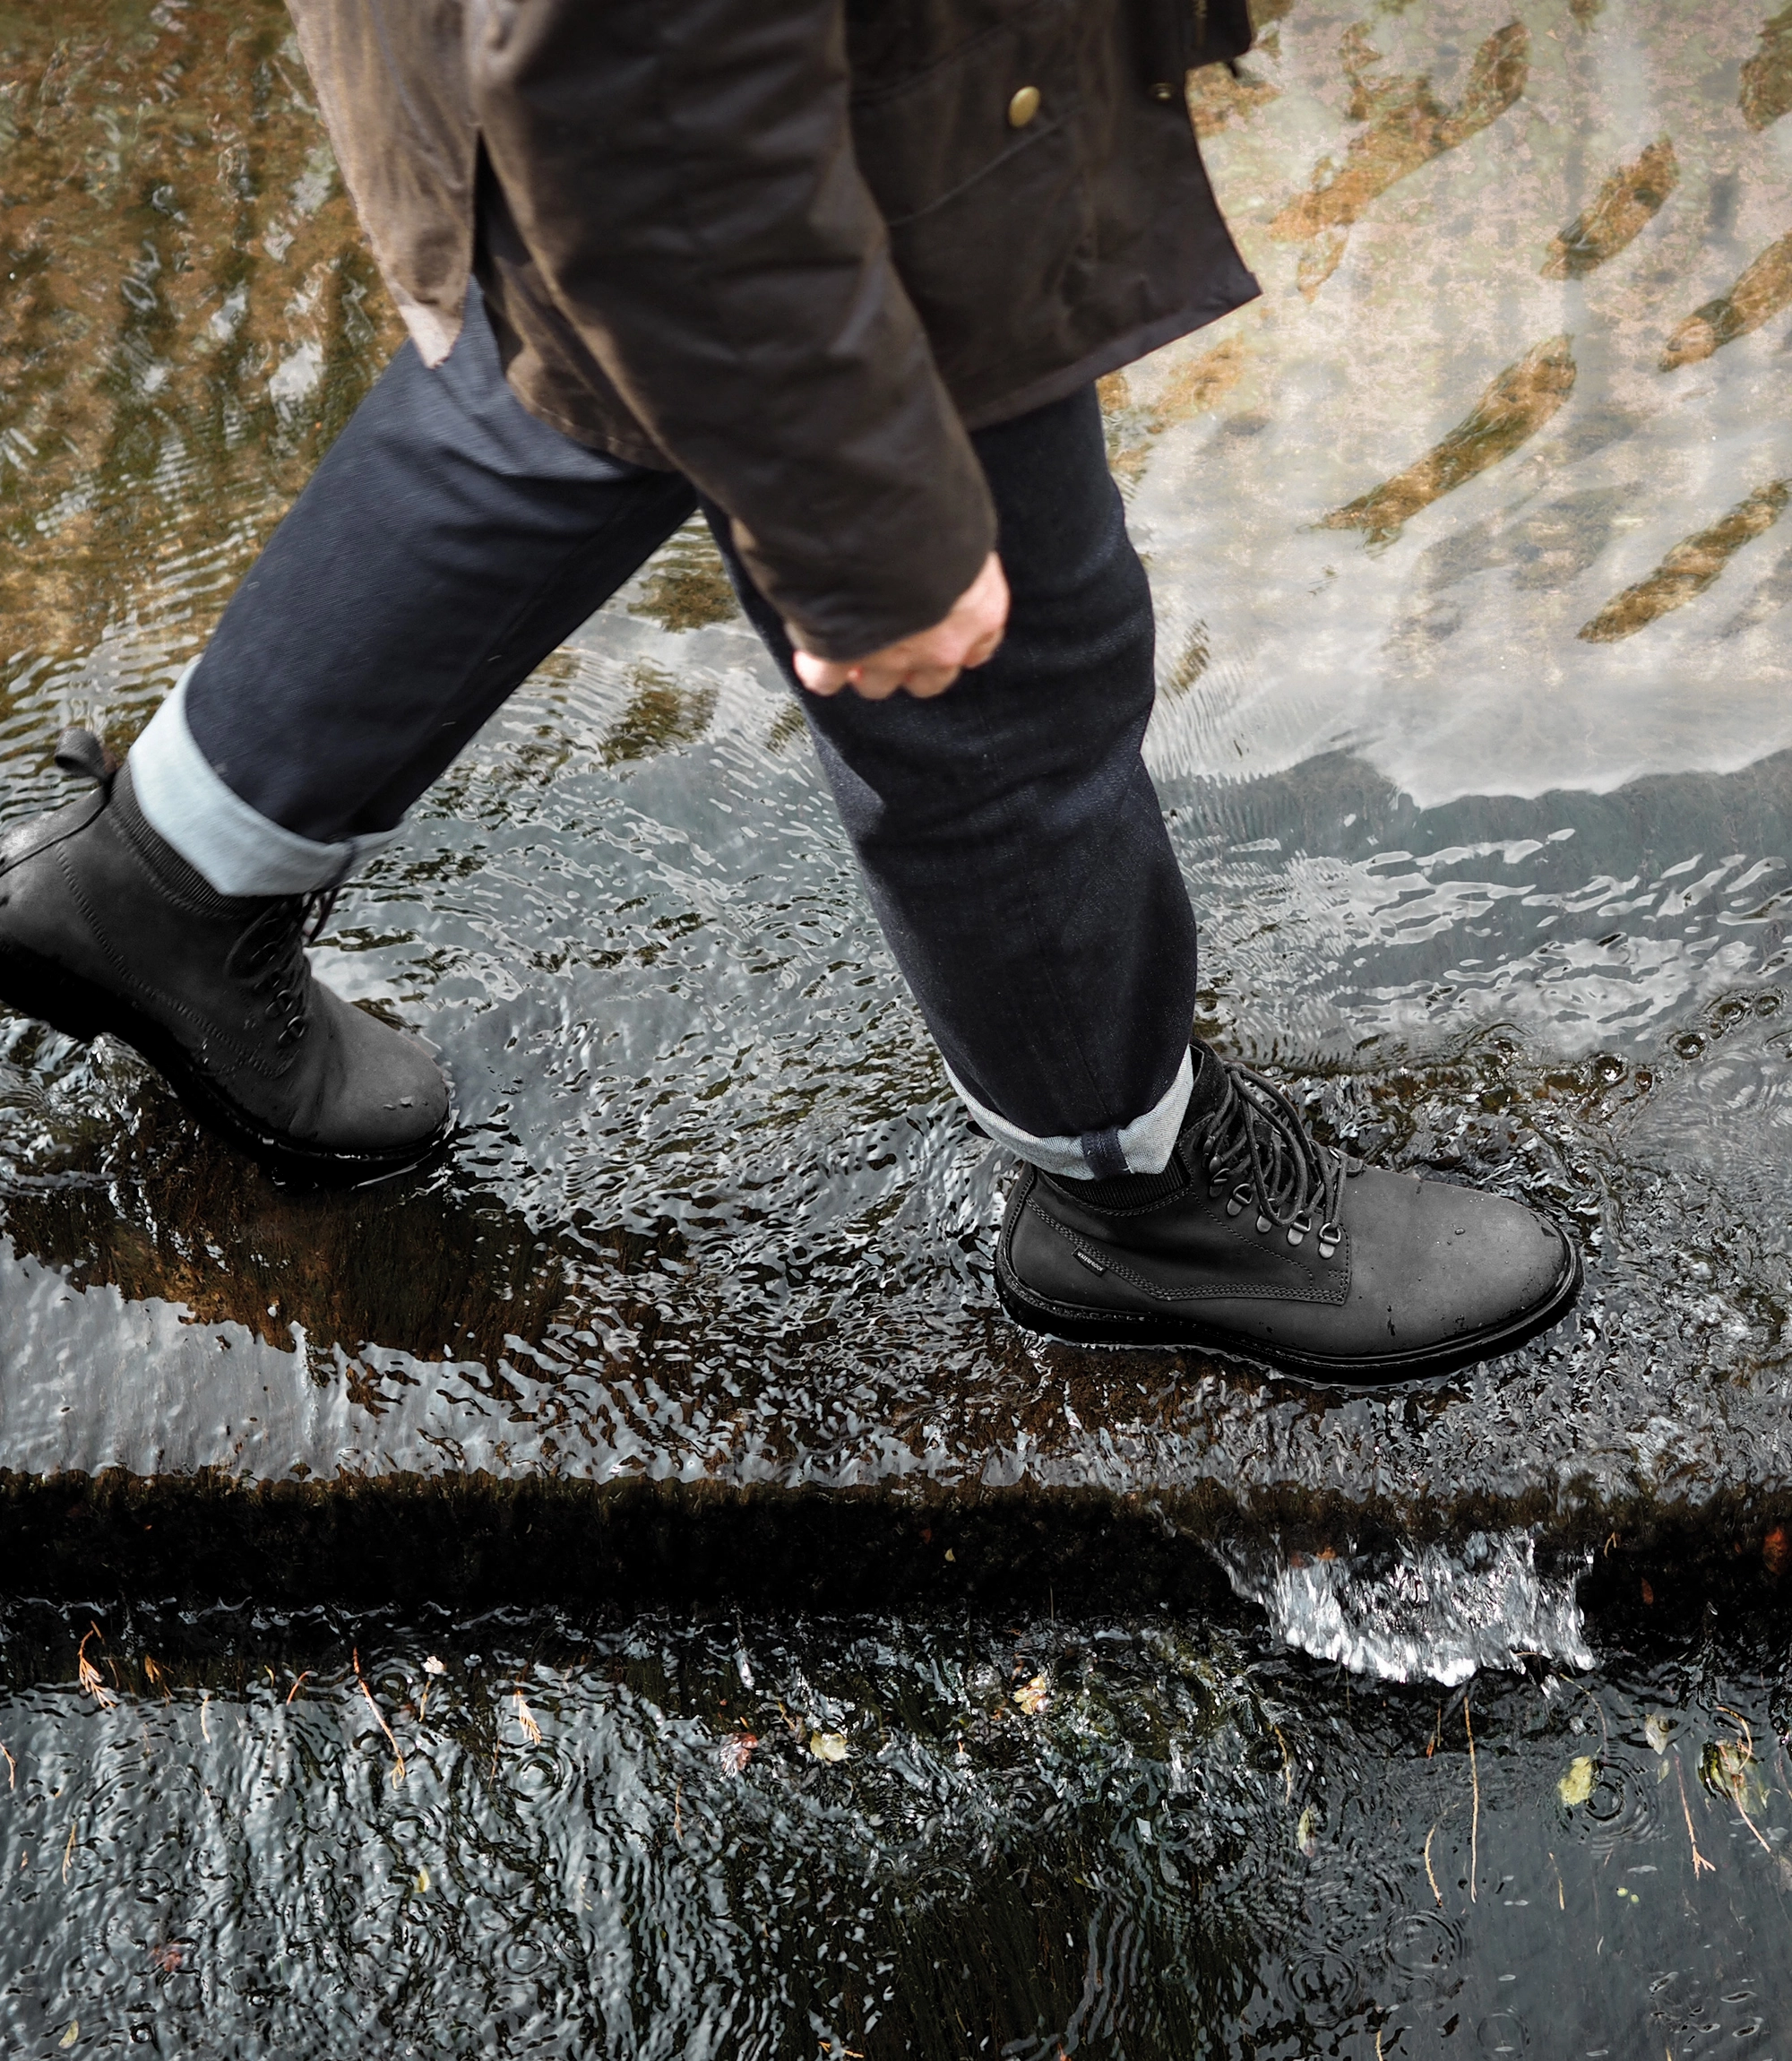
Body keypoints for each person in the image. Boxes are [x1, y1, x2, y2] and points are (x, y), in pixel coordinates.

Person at [0, 0, 1579, 1381]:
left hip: (720, 75)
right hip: (780, 100)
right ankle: (1138, 1189)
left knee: (575, 368)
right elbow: (644, 83)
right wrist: (860, 517)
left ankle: (173, 879)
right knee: (1008, 644)